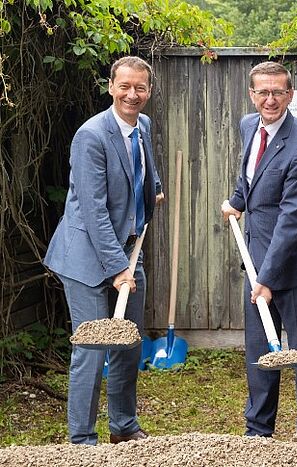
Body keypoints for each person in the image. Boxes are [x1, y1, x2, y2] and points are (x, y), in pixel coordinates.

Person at [43, 56, 164, 445]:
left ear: (149, 90)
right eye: (125, 86)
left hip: (128, 252)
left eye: (140, 87)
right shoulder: (91, 135)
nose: (133, 94)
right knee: (93, 348)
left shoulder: (142, 125)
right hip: (86, 257)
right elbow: (94, 211)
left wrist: (153, 190)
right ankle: (82, 439)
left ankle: (124, 427)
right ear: (111, 87)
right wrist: (117, 269)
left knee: (128, 343)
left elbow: (143, 169)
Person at [220, 61, 297, 436]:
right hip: (257, 257)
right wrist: (237, 200)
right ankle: (259, 430)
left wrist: (267, 277)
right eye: (262, 92)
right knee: (259, 352)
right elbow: (248, 175)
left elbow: (294, 217)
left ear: (290, 95)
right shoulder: (248, 126)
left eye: (277, 92)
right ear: (252, 94)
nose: (270, 99)